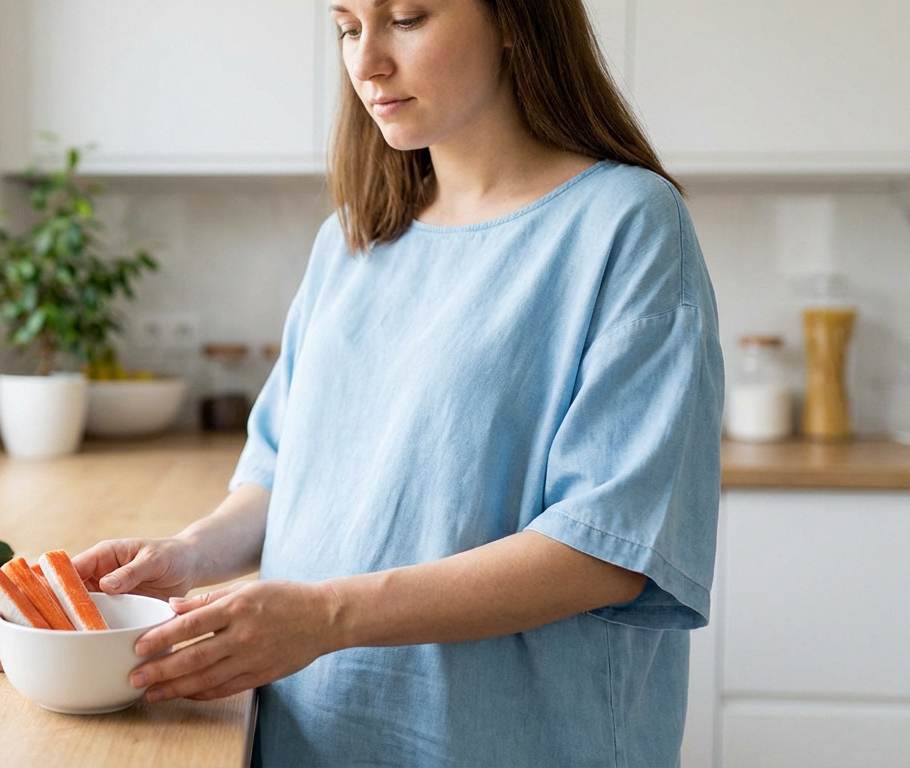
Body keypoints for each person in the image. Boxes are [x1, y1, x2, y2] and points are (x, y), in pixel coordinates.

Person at [73, 0, 723, 765]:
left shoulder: (627, 224)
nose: (366, 61)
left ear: (519, 20)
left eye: (407, 18)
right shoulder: (351, 240)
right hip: (313, 729)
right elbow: (283, 473)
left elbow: (608, 550)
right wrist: (187, 556)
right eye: (348, 27)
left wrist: (327, 616)